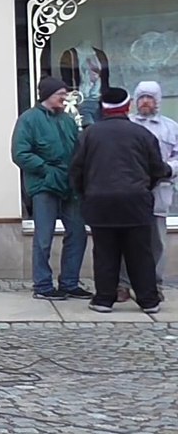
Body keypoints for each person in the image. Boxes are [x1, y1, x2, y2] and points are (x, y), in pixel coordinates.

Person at [70, 86, 170, 315]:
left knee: (105, 253)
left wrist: (86, 194)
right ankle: (148, 300)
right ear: (128, 106)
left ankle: (104, 299)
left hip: (100, 202)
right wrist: (145, 188)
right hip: (135, 202)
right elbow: (157, 169)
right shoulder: (143, 134)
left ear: (103, 108)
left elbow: (76, 171)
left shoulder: (89, 134)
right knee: (141, 254)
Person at [11, 76, 91, 301]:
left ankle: (69, 283)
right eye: (61, 94)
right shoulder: (29, 119)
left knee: (77, 234)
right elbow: (20, 153)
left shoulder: (66, 120)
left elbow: (76, 148)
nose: (65, 98)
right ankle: (43, 285)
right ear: (48, 95)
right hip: (44, 186)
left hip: (69, 186)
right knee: (43, 238)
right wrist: (47, 171)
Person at [118, 80, 178, 303]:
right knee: (126, 238)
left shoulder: (170, 128)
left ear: (157, 101)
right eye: (142, 97)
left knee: (156, 242)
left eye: (150, 98)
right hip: (130, 191)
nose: (145, 102)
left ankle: (155, 283)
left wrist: (167, 169)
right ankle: (123, 284)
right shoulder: (128, 125)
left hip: (159, 192)